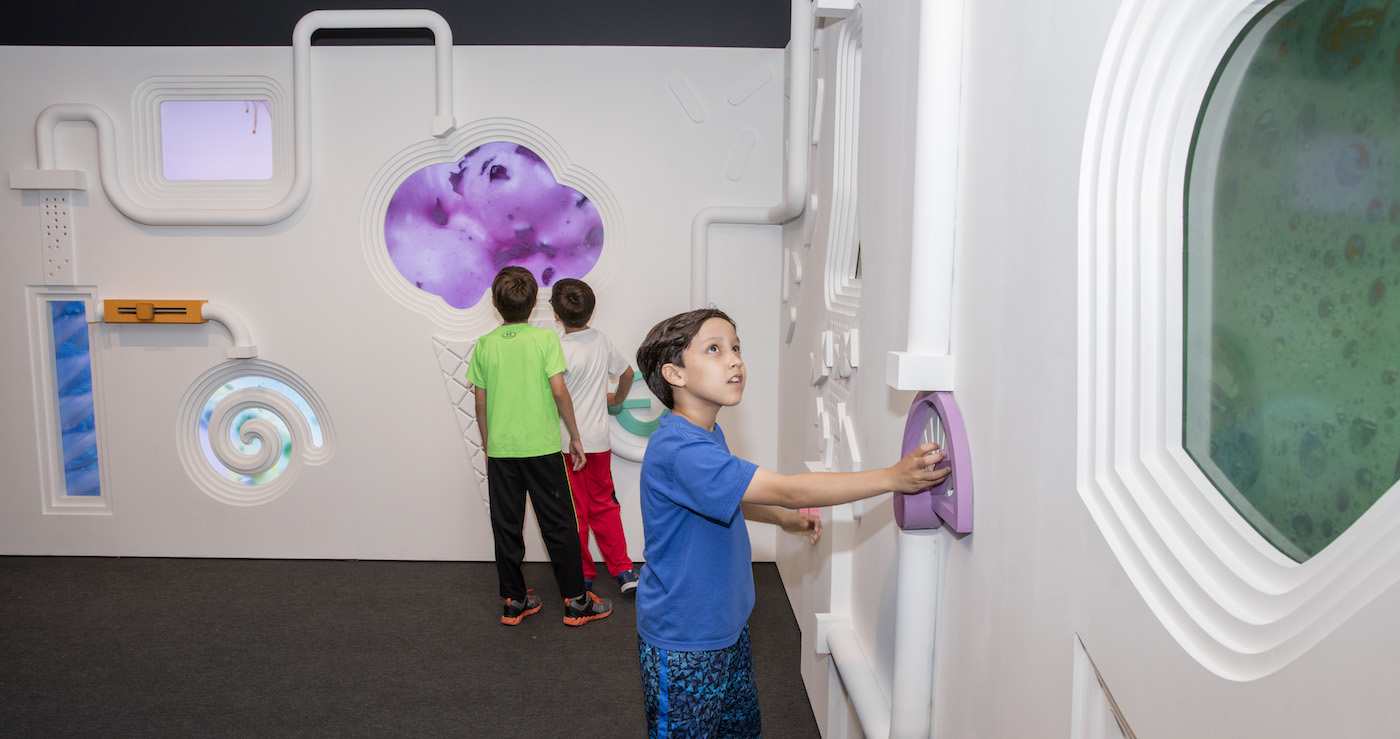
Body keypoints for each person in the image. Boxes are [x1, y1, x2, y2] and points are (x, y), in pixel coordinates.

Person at [633, 307, 949, 736]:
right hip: (686, 641)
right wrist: (893, 478)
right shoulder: (681, 449)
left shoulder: (703, 434)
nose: (734, 360)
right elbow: (789, 488)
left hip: (725, 628)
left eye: (736, 347)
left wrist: (781, 521)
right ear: (675, 375)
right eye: (714, 349)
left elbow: (725, 497)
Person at [466, 266, 613, 627]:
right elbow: (560, 392)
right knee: (559, 525)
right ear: (534, 304)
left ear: (495, 304)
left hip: (502, 452)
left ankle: (515, 602)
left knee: (506, 525)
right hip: (543, 449)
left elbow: (480, 403)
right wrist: (576, 437)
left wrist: (488, 444)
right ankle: (577, 602)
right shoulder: (546, 340)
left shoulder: (484, 345)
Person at [548, 278, 641, 595]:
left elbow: (556, 396)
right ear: (591, 310)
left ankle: (585, 573)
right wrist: (615, 398)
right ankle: (624, 570)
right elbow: (627, 374)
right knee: (605, 505)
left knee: (576, 511)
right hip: (599, 442)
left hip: (566, 445)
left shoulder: (557, 349)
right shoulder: (602, 340)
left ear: (556, 314)